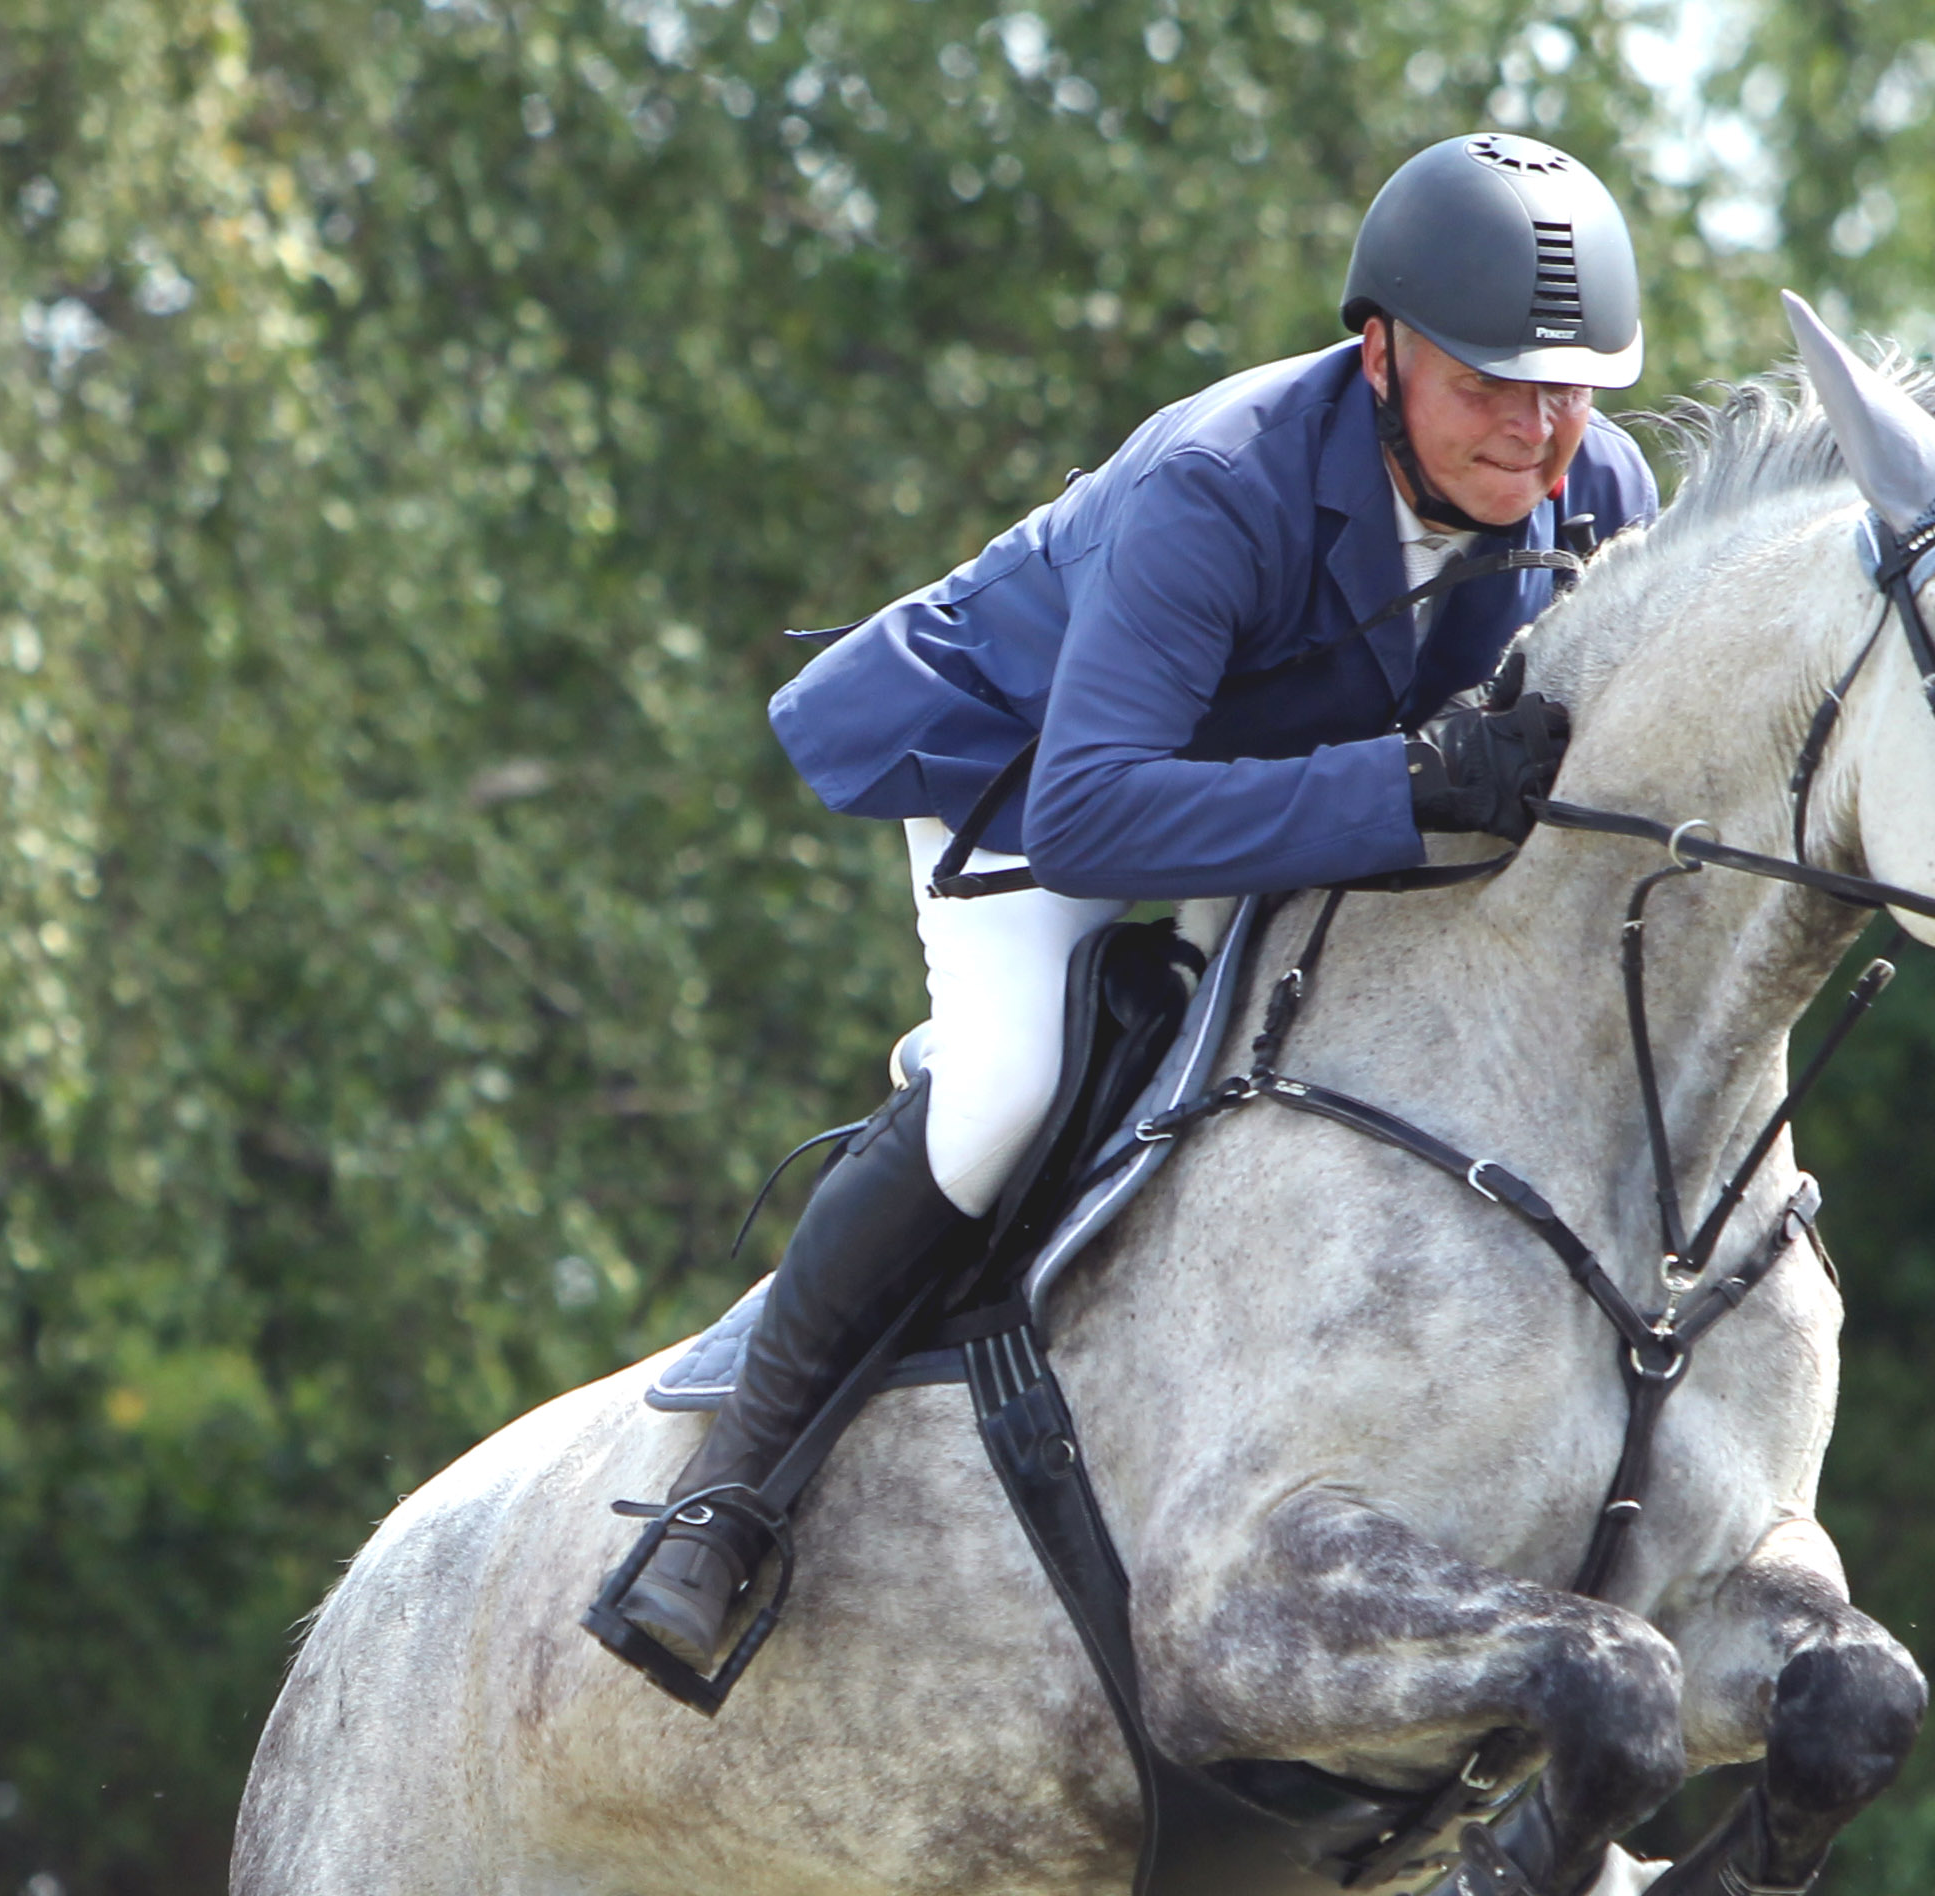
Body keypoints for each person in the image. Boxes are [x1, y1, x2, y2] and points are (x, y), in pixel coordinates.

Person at [589, 131, 1665, 1693]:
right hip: (1043, 775)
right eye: (1494, 385)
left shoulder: (1603, 488)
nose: (1539, 432)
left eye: (1568, 388)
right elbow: (1100, 803)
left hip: (1303, 794)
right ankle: (723, 1499)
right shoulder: (1216, 487)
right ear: (1378, 349)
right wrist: (1398, 787)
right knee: (1008, 1090)